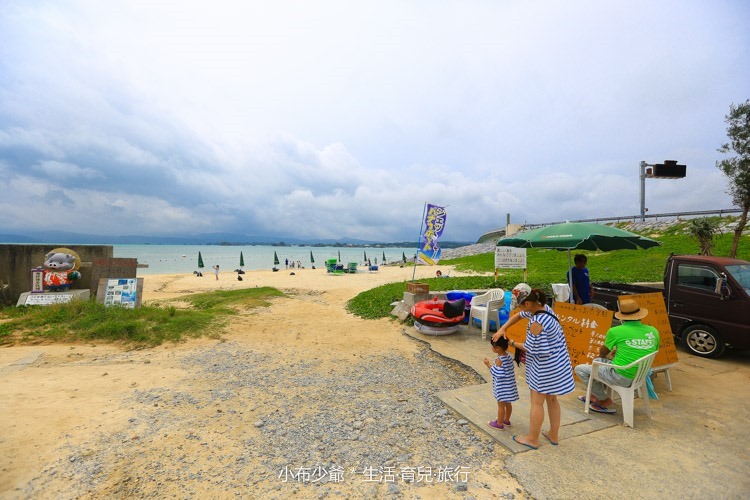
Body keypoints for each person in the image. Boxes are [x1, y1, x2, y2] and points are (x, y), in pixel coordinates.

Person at [492, 283, 576, 449]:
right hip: (559, 363)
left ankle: (532, 438)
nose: (521, 309)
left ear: (528, 304)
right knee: (552, 399)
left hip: (545, 368)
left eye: (522, 305)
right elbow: (518, 316)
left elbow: (531, 348)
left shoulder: (536, 323)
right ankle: (553, 434)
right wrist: (503, 328)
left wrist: (512, 342)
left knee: (537, 402)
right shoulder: (545, 309)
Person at [574, 298, 660, 414]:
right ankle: (595, 394)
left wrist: (606, 355)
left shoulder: (616, 331)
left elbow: (603, 352)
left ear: (622, 317)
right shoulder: (653, 330)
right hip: (640, 374)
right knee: (599, 362)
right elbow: (648, 350)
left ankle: (603, 399)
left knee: (581, 369)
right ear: (640, 315)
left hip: (622, 375)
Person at [483, 336, 519, 430]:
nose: (491, 348)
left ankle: (499, 424)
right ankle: (506, 420)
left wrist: (488, 365)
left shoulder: (500, 359)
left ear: (498, 348)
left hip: (502, 388)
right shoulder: (509, 357)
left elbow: (497, 373)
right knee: (508, 404)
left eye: (493, 346)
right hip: (509, 387)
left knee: (501, 406)